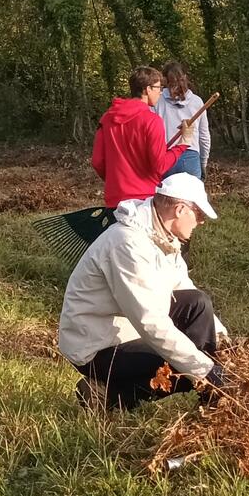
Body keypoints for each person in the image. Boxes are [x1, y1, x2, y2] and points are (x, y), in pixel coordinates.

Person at [58, 172, 228, 410]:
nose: (201, 222)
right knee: (185, 362)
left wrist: (223, 339)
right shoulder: (127, 243)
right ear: (180, 210)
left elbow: (184, 287)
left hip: (126, 330)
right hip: (96, 345)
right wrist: (205, 370)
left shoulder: (162, 236)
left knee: (198, 304)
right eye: (199, 214)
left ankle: (213, 395)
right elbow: (150, 321)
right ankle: (111, 396)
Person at [91, 66, 190, 208]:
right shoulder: (152, 121)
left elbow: (97, 161)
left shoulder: (107, 118)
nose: (161, 92)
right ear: (147, 89)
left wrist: (115, 180)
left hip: (115, 199)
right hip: (143, 201)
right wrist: (183, 144)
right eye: (159, 88)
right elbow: (159, 166)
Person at [155, 61, 211, 180]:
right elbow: (204, 137)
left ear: (164, 80)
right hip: (190, 158)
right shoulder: (197, 102)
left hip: (166, 158)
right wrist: (203, 163)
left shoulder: (156, 101)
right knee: (192, 198)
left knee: (165, 198)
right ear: (185, 77)